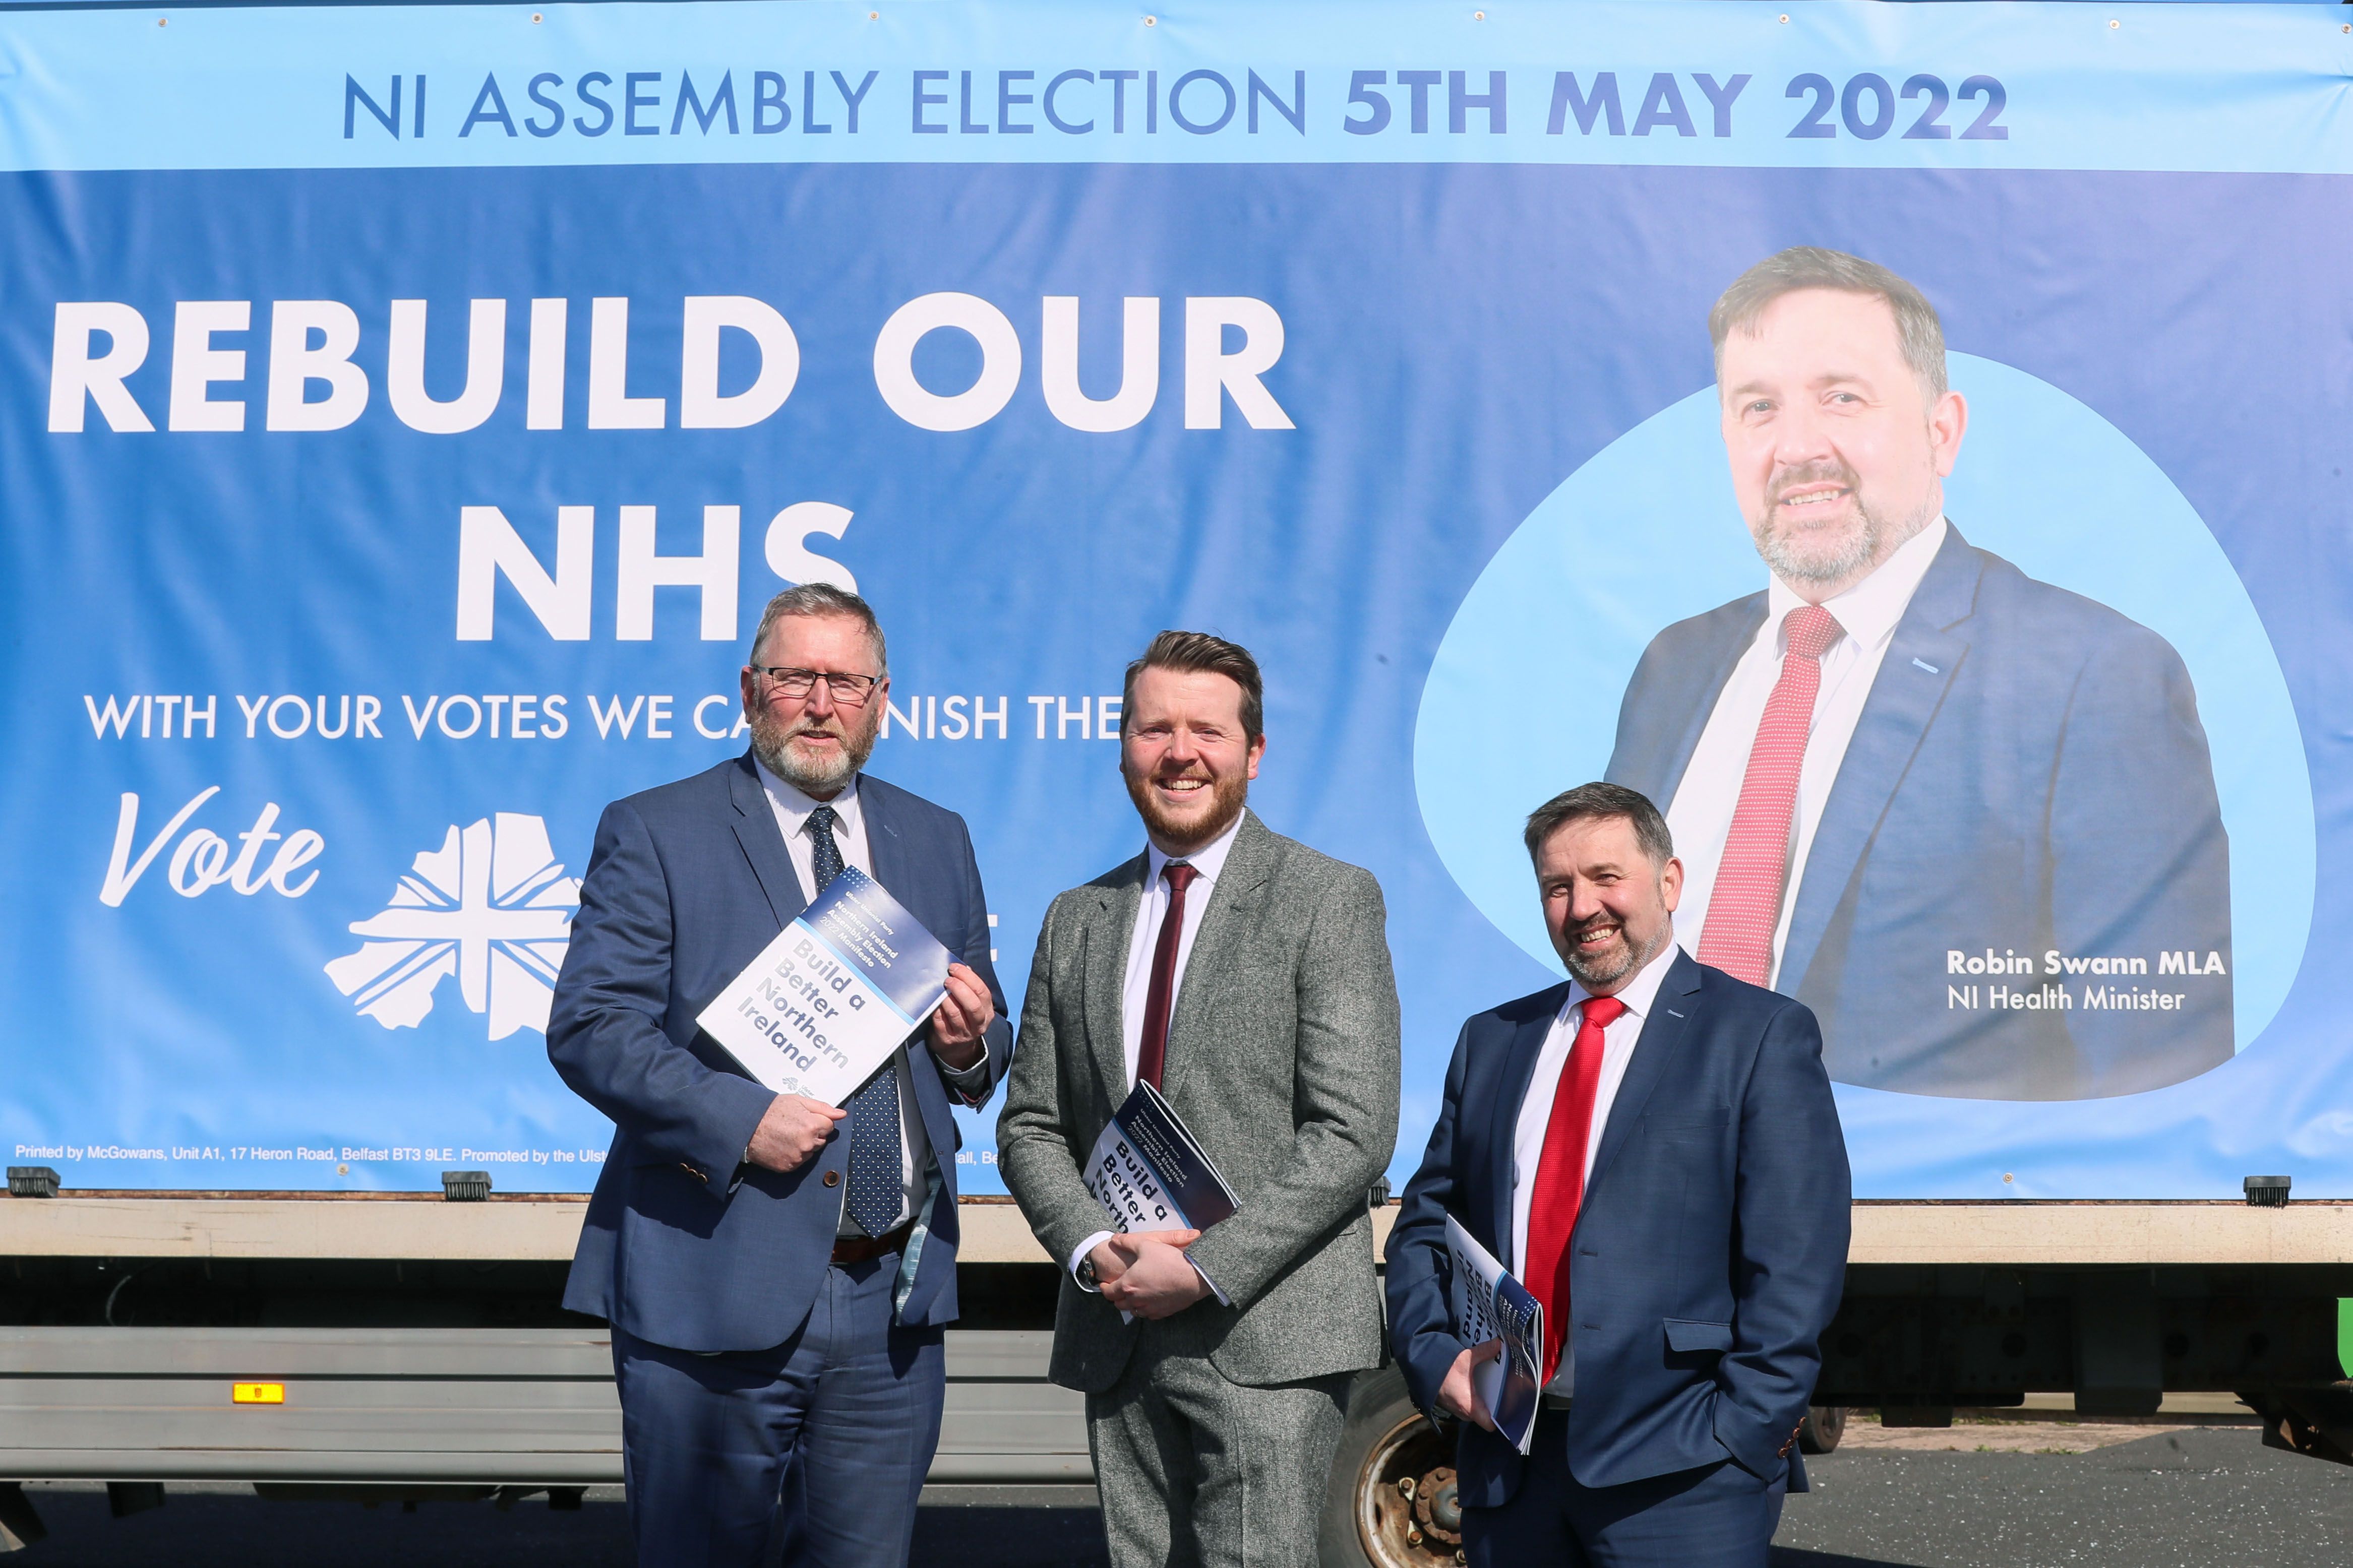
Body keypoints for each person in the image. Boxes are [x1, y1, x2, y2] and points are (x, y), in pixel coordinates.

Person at [1607, 246, 2231, 1101]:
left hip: (1918, 1217)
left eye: (1842, 397)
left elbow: (2156, 1070)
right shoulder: (1672, 671)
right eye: (1758, 407)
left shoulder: (2099, 676)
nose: (1797, 447)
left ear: (1943, 432)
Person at [547, 583, 1011, 1568]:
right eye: (795, 675)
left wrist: (973, 1042)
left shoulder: (937, 837)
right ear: (751, 689)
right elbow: (591, 1025)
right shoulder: (658, 829)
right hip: (716, 1282)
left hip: (890, 1292)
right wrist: (739, 1118)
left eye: (844, 680)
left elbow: (983, 1048)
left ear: (881, 698)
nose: (819, 700)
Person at [997, 630, 1401, 1568]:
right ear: (1125, 746)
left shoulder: (1327, 899)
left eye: (1207, 731)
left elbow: (1354, 1131)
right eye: (1155, 730)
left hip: (1269, 1333)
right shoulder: (1076, 917)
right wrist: (1098, 1249)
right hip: (1121, 1317)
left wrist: (1207, 1266)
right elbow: (1032, 1125)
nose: (1180, 752)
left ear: (1253, 753)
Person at [1386, 782, 1849, 1567]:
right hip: (1511, 1471)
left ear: (1668, 883)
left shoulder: (1759, 1037)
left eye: (1607, 878)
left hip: (1685, 1475)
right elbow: (1427, 1228)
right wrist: (1438, 1361)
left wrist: (1743, 1435)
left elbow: (1796, 1260)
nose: (1583, 907)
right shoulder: (1493, 1042)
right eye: (1558, 887)